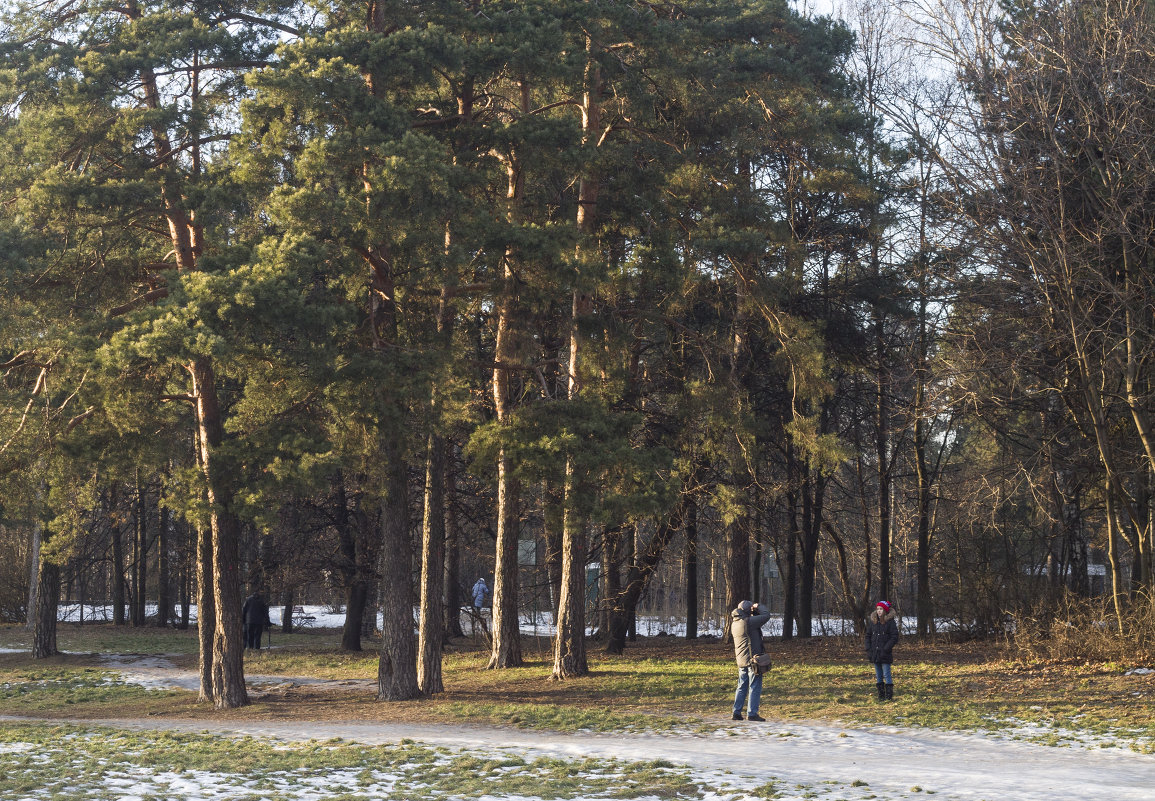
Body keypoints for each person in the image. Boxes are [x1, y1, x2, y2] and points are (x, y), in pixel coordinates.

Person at [730, 599, 772, 721]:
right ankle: (752, 713)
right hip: (752, 660)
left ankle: (736, 712)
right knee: (755, 686)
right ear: (748, 611)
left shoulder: (735, 622)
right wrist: (758, 606)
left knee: (741, 686)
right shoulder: (749, 622)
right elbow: (766, 615)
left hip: (741, 660)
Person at [865, 600, 899, 700]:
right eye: (878, 609)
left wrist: (886, 648)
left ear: (885, 611)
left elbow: (894, 637)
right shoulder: (873, 622)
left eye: (881, 609)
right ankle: (881, 695)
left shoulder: (890, 622)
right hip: (874, 653)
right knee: (878, 675)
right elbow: (868, 636)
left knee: (886, 674)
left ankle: (889, 696)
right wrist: (868, 649)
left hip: (885, 653)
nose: (879, 611)